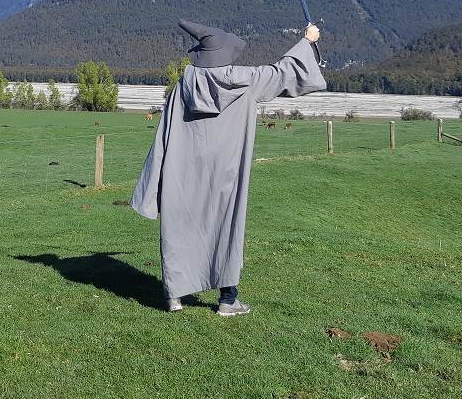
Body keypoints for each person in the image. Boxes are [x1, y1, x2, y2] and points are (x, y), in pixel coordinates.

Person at [130, 19, 326, 316]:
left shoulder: (183, 85)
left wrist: (155, 178)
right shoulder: (245, 79)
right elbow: (284, 72)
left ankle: (174, 295)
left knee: (180, 225)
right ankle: (227, 300)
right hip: (227, 172)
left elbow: (165, 132)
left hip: (183, 171)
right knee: (227, 226)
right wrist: (308, 42)